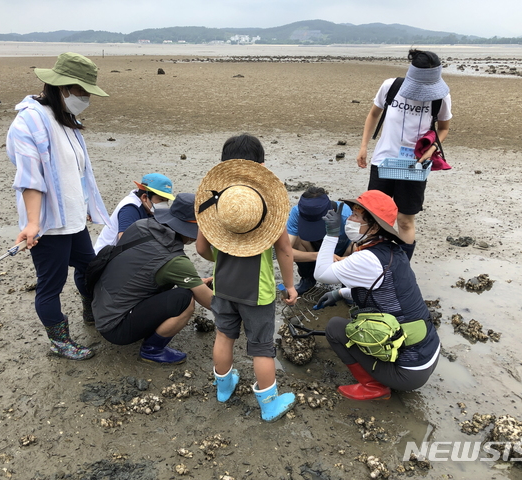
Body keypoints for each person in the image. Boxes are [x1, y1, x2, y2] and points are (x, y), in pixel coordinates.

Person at [6, 52, 111, 360]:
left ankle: (89, 309)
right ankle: (59, 341)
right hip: (50, 224)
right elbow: (30, 179)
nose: (87, 98)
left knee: (91, 268)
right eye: (82, 91)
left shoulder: (67, 118)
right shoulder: (29, 121)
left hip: (74, 219)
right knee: (50, 286)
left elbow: (76, 174)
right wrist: (33, 224)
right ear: (63, 86)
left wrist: (88, 207)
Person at [196, 134, 298, 423]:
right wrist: (289, 285)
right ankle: (268, 404)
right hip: (258, 292)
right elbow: (284, 250)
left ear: (223, 165)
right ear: (262, 166)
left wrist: (223, 262)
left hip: (224, 287)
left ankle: (223, 388)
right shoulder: (270, 206)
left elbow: (202, 247)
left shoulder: (216, 203)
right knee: (262, 347)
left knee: (224, 335)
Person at [314, 190, 440, 400]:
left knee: (335, 328)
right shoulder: (391, 251)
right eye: (352, 213)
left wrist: (331, 235)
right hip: (428, 353)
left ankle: (373, 387)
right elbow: (384, 295)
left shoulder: (367, 259)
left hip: (409, 371)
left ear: (373, 226)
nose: (350, 219)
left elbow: (322, 274)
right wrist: (340, 293)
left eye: (357, 216)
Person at [92, 193, 213, 364]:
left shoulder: (142, 225)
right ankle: (152, 350)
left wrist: (195, 282)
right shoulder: (175, 260)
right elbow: (211, 303)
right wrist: (239, 308)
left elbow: (139, 271)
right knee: (185, 300)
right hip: (115, 326)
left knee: (182, 286)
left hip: (100, 306)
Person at [356, 49, 452, 256]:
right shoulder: (391, 87)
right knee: (374, 216)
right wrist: (363, 146)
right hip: (383, 162)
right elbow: (373, 115)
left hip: (415, 167)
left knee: (405, 221)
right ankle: (372, 266)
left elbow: (443, 128)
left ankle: (401, 270)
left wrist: (433, 148)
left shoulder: (441, 98)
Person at [286, 186, 352, 295]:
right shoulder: (297, 212)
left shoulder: (346, 214)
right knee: (296, 241)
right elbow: (284, 251)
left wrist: (343, 261)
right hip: (313, 250)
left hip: (340, 253)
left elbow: (363, 246)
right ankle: (308, 278)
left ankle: (348, 285)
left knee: (357, 246)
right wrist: (319, 256)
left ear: (332, 211)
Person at [93, 173, 174, 254]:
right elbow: (125, 242)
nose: (164, 204)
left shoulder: (149, 208)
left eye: (166, 200)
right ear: (144, 197)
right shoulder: (130, 209)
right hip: (105, 259)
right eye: (161, 200)